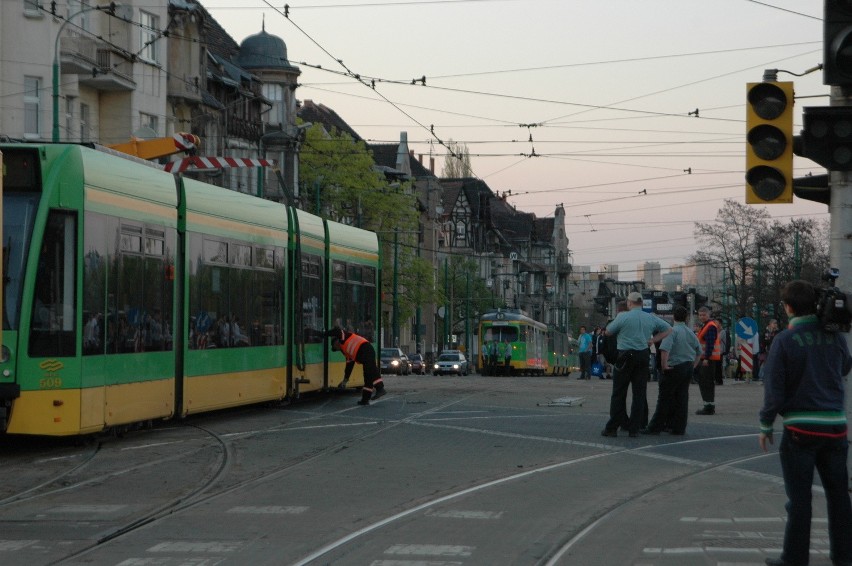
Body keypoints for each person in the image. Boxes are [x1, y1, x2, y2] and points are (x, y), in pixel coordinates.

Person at [759, 280, 852, 566]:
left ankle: (795, 559)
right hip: (836, 428)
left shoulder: (785, 340)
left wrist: (766, 424)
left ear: (788, 307)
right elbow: (845, 366)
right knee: (839, 499)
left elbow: (774, 387)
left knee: (799, 501)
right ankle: (845, 558)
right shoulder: (835, 336)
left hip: (801, 430)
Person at [601, 291, 671, 438]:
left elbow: (608, 332)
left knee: (619, 393)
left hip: (625, 356)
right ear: (641, 303)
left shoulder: (624, 317)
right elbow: (668, 329)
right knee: (639, 393)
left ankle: (612, 427)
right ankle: (635, 428)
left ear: (629, 303)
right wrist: (653, 339)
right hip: (642, 356)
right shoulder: (650, 317)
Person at [642, 306, 701, 436]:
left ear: (674, 317)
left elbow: (665, 350)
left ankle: (655, 427)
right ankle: (678, 427)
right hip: (687, 367)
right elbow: (699, 351)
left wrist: (664, 366)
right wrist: (694, 366)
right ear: (686, 318)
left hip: (674, 367)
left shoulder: (672, 331)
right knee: (682, 398)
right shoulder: (691, 332)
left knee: (664, 398)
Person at [326, 327, 386, 406]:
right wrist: (345, 380)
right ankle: (365, 399)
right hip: (364, 351)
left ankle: (380, 388)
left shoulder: (343, 338)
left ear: (336, 342)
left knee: (370, 370)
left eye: (335, 347)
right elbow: (349, 367)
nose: (337, 349)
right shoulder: (346, 352)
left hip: (365, 348)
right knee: (368, 376)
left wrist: (324, 334)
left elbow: (337, 330)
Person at [695, 306, 723, 415]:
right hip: (707, 359)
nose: (702, 317)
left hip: (708, 360)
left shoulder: (710, 326)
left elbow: (710, 344)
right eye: (700, 315)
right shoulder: (706, 326)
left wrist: (706, 358)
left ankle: (708, 407)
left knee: (706, 383)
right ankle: (708, 405)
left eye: (704, 315)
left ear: (708, 315)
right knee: (706, 383)